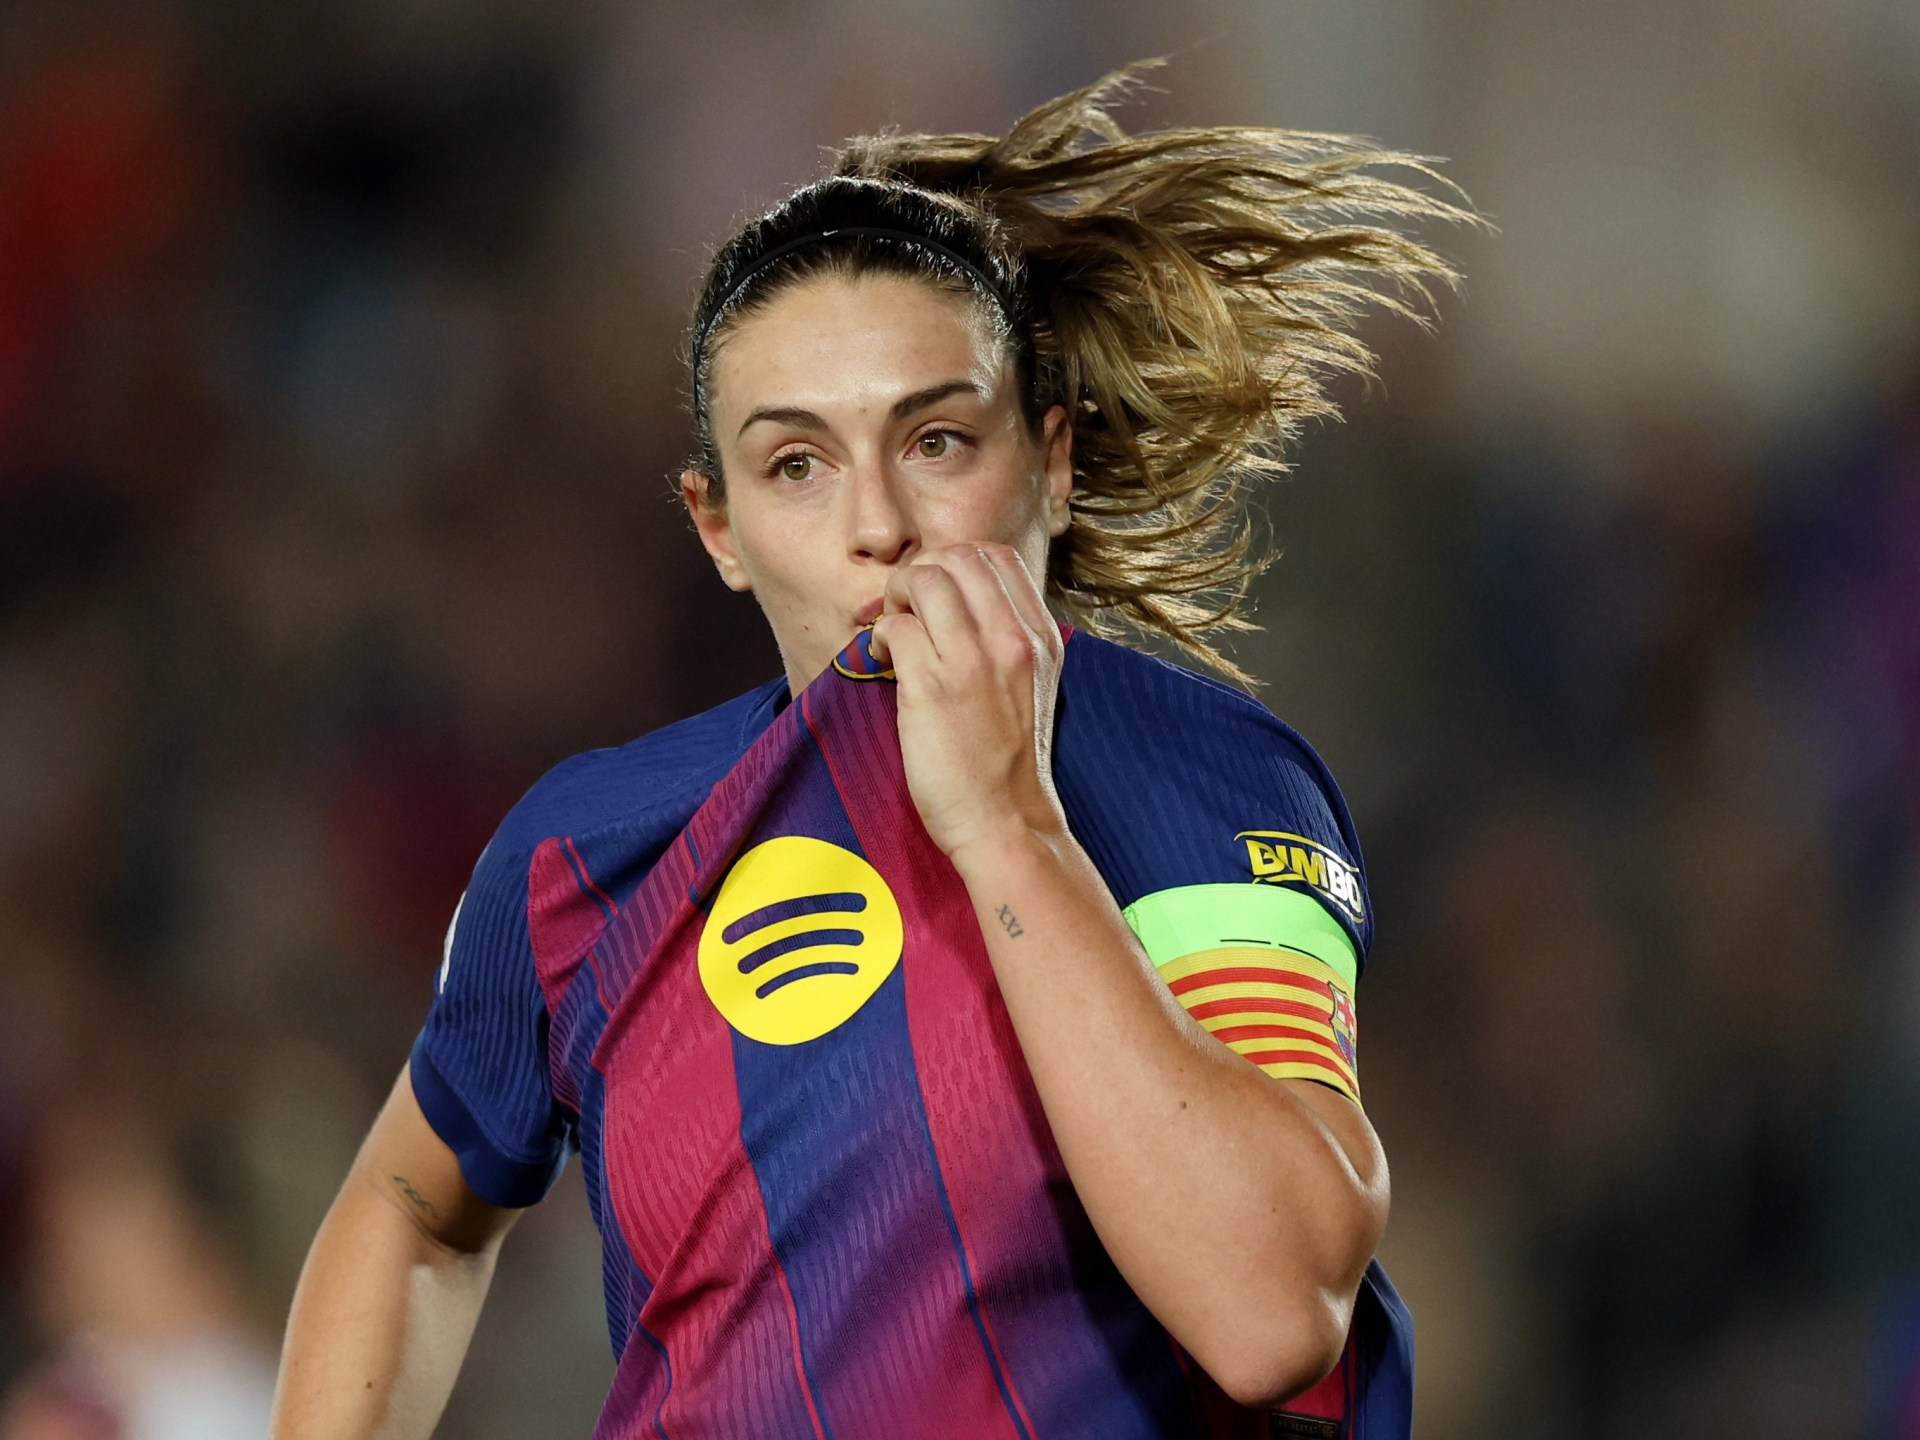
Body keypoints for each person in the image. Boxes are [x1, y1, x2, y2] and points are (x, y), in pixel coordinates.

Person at [270, 60, 1469, 1440]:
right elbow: (413, 1208)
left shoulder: (1202, 780)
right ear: (718, 529)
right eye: (797, 464)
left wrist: (1008, 826)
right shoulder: (587, 850)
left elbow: (1272, 1313)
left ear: (1051, 461)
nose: (879, 524)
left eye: (937, 439)